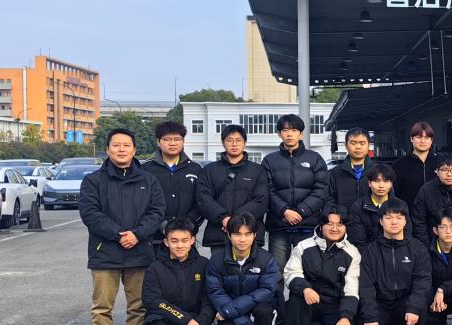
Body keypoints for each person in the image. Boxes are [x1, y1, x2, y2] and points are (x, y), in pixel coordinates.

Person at [80, 128, 166, 325]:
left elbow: (157, 211)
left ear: (134, 149)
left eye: (126, 145)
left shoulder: (148, 180)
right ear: (107, 149)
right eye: (116, 145)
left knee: (138, 304)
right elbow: (90, 213)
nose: (121, 149)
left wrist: (137, 234)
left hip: (139, 250)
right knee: (102, 305)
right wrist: (119, 234)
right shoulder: (93, 181)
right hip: (105, 252)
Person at [137, 218, 224, 325]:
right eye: (174, 241)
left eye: (184, 240)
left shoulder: (203, 264)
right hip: (167, 320)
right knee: (153, 322)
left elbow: (208, 298)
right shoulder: (155, 268)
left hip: (194, 322)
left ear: (192, 240)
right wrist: (185, 320)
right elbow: (153, 300)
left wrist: (201, 322)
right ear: (166, 242)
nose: (180, 245)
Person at [280, 205, 362, 325]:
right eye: (329, 224)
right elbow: (291, 273)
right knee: (294, 303)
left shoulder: (352, 253)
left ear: (345, 227)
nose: (334, 228)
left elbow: (351, 288)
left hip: (333, 302)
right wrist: (305, 288)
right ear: (321, 225)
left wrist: (345, 317)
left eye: (339, 224)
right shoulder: (303, 246)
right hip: (307, 298)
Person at [358, 199, 432, 325]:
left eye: (399, 217)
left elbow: (422, 282)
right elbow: (365, 285)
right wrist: (370, 316)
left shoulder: (417, 249)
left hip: (404, 301)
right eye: (389, 217)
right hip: (380, 301)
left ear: (405, 221)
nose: (394, 222)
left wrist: (413, 307)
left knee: (419, 306)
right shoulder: (370, 251)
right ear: (381, 221)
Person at [207, 213, 280, 325]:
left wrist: (231, 310)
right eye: (237, 234)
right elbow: (216, 292)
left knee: (264, 311)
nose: (242, 239)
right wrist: (244, 323)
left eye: (247, 234)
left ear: (255, 235)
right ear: (229, 235)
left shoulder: (267, 259)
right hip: (229, 305)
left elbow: (267, 289)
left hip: (254, 306)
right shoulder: (216, 260)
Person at [262, 114, 331, 272]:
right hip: (279, 227)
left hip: (308, 226)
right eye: (285, 130)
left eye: (294, 130)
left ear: (301, 134)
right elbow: (266, 190)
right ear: (279, 134)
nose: (289, 134)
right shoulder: (269, 161)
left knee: (309, 271)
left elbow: (321, 190)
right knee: (276, 272)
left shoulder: (315, 159)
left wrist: (301, 211)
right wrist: (284, 211)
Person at [196, 124, 269, 261]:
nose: (234, 144)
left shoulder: (258, 171)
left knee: (250, 271)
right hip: (219, 233)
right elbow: (203, 198)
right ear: (223, 142)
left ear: (245, 142)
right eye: (229, 140)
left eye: (238, 140)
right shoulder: (209, 170)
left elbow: (261, 200)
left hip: (248, 234)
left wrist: (235, 221)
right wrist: (224, 218)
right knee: (219, 270)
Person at [141, 121, 204, 259]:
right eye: (167, 139)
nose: (172, 143)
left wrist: (188, 225)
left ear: (183, 141)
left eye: (177, 139)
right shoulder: (145, 169)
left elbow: (202, 201)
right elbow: (141, 203)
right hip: (154, 239)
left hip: (186, 237)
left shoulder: (196, 168)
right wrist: (163, 226)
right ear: (158, 142)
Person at [347, 163, 411, 246]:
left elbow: (407, 235)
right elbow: (358, 242)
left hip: (396, 251)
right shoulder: (357, 207)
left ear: (391, 184)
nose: (381, 186)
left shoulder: (401, 205)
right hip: (369, 252)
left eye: (386, 181)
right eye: (376, 181)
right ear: (369, 183)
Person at [391, 121, 440, 206]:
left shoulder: (440, 163)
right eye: (418, 137)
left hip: (437, 212)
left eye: (426, 138)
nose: (422, 141)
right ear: (411, 139)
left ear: (431, 140)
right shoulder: (399, 165)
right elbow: (394, 194)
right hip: (408, 212)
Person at [329, 127, 373, 210]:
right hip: (344, 217)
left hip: (373, 217)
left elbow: (389, 200)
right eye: (353, 143)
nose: (358, 147)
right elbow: (329, 200)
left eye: (362, 143)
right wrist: (334, 214)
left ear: (368, 145)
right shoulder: (335, 173)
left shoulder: (378, 171)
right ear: (346, 145)